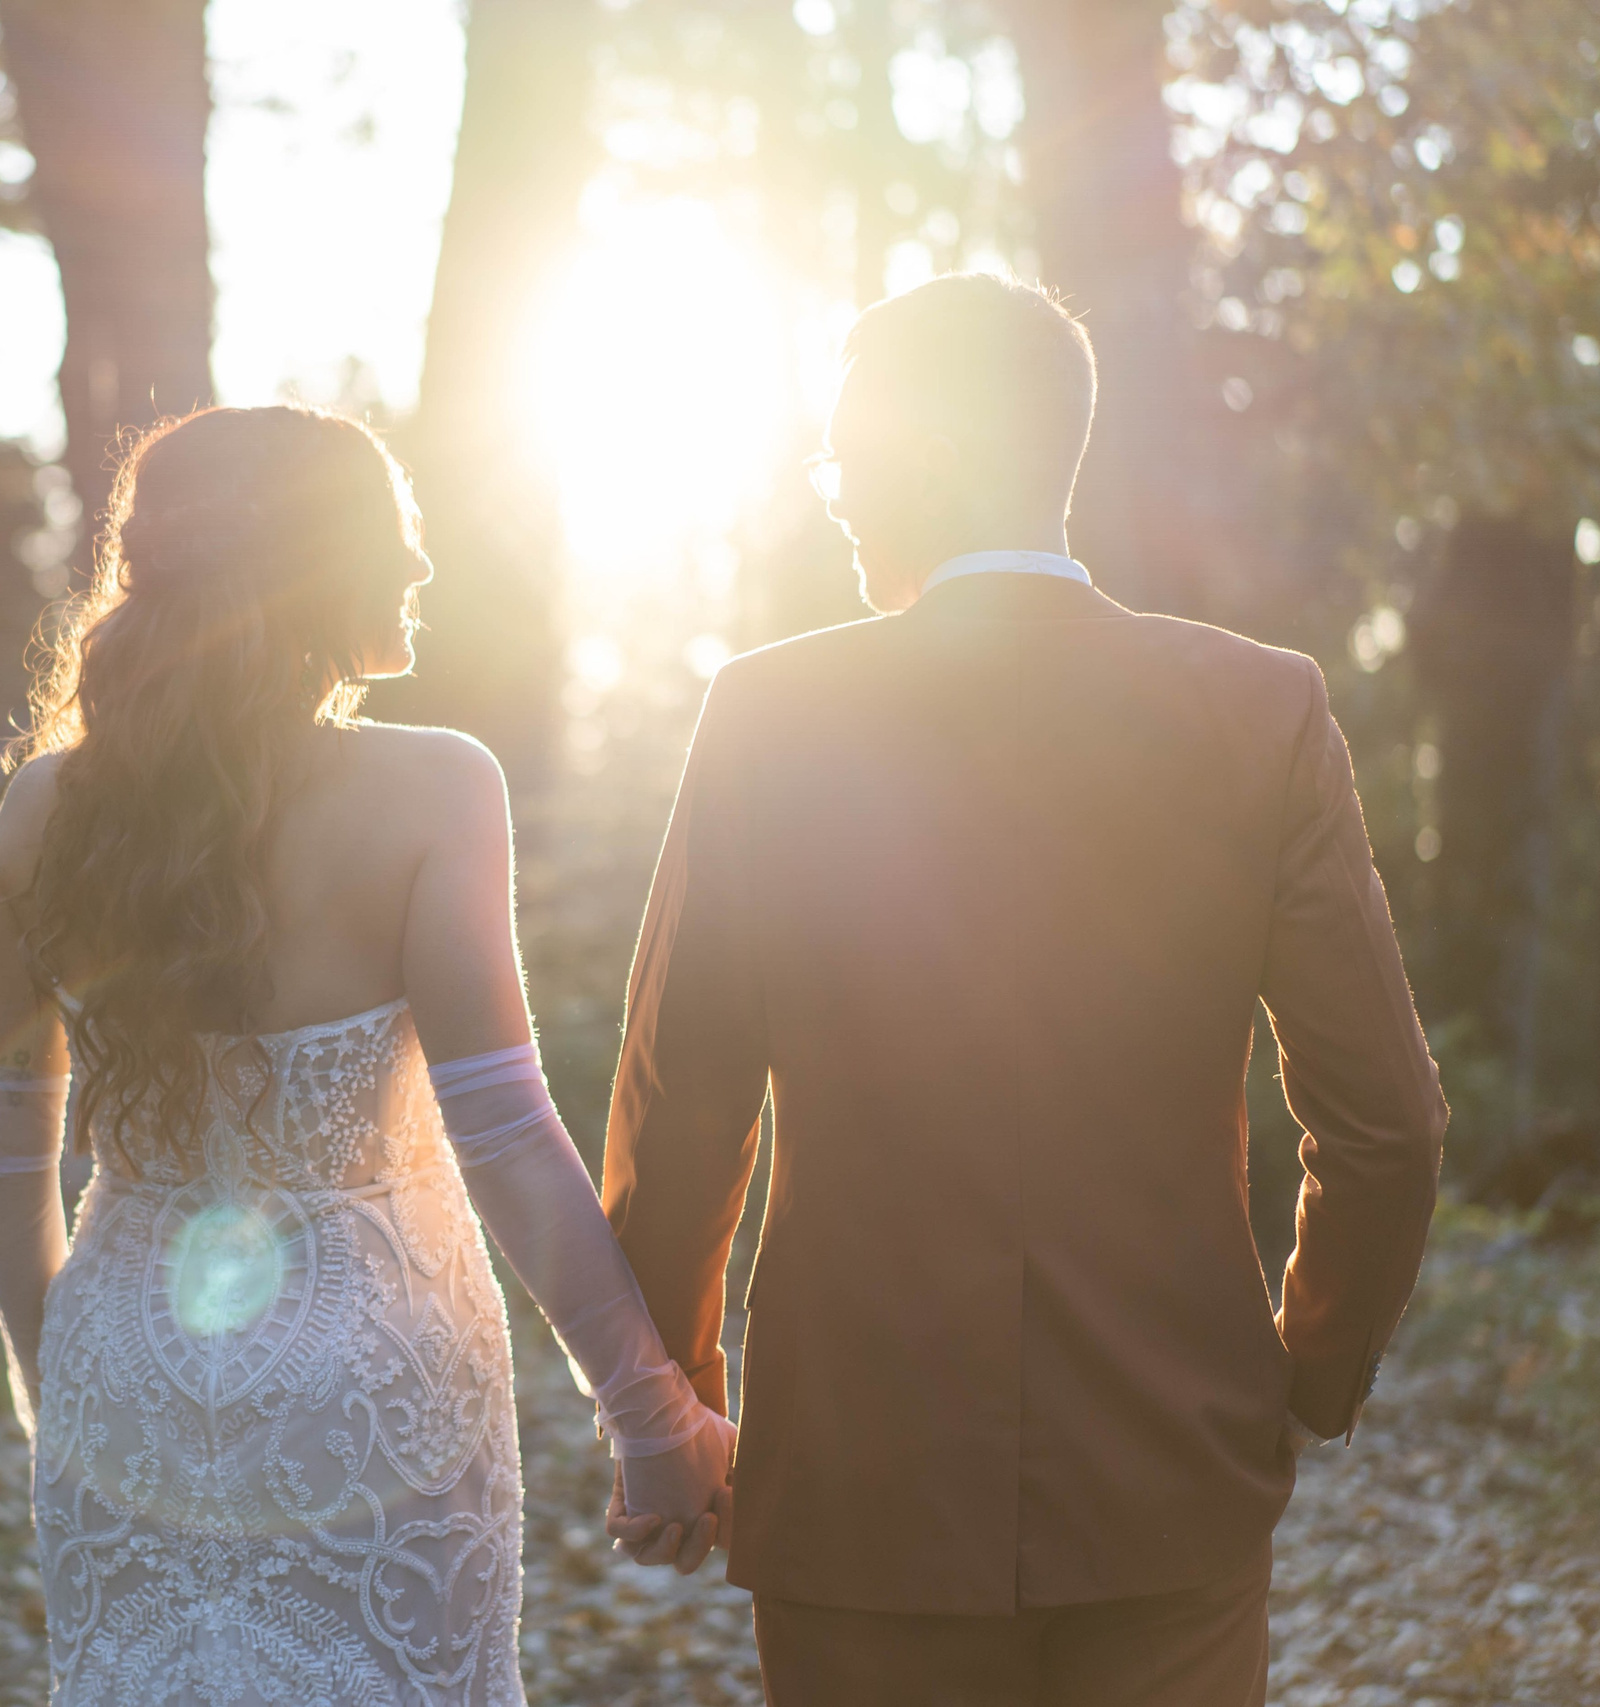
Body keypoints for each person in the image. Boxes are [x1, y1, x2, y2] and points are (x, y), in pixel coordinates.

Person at [599, 273, 1449, 1705]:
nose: (839, 498)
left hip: (860, 1491)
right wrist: (1307, 1374)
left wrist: (675, 1403)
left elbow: (684, 1111)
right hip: (1170, 1476)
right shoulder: (1258, 712)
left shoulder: (769, 717)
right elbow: (1391, 1126)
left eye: (845, 461)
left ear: (922, 456)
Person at [0, 404, 734, 1706]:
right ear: (313, 564)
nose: (421, 570)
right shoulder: (438, 786)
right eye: (396, 536)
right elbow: (501, 1133)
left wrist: (65, 1381)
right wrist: (651, 1419)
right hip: (375, 1388)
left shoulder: (45, 806)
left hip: (121, 1373)